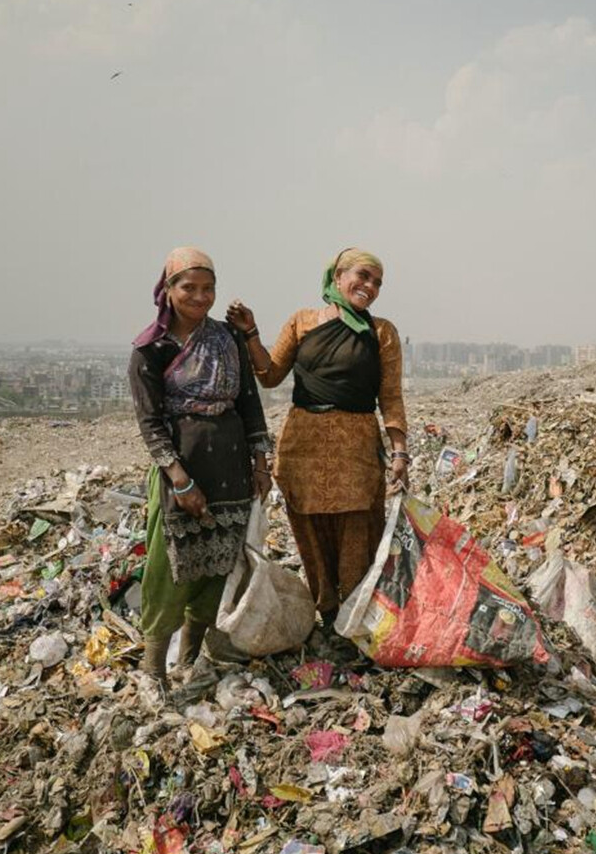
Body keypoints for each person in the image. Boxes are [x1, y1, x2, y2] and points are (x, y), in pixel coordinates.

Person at [226, 247, 408, 627]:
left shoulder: (382, 333)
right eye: (363, 276)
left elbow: (390, 396)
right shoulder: (303, 323)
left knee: (359, 527)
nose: (370, 287)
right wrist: (251, 334)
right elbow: (270, 374)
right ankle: (326, 614)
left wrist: (400, 453)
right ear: (337, 276)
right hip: (302, 447)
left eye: (377, 282)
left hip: (356, 447)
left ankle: (356, 618)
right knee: (310, 529)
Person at [130, 247, 272, 685]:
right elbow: (150, 423)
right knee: (168, 572)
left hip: (231, 469)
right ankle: (152, 671)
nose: (199, 295)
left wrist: (262, 461)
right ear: (167, 290)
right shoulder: (151, 348)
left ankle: (189, 663)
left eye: (207, 287)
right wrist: (179, 479)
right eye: (188, 287)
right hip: (184, 472)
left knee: (217, 570)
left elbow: (249, 402)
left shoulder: (227, 338)